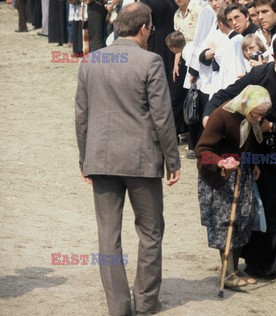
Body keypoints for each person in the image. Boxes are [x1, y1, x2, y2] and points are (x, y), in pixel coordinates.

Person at [74, 3, 181, 315]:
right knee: (150, 232)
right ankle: (146, 302)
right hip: (141, 161)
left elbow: (81, 117)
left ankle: (118, 306)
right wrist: (172, 160)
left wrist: (84, 159)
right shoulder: (150, 61)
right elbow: (162, 116)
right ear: (145, 27)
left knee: (108, 236)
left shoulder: (91, 61)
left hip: (100, 159)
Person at [204, 33, 276, 285]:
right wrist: (208, 118)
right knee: (264, 204)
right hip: (261, 152)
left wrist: (272, 127)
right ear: (274, 58)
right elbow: (224, 96)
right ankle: (259, 262)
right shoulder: (259, 76)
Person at [195, 85, 271, 288]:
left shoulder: (252, 117)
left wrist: (253, 162)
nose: (258, 120)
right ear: (246, 105)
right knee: (226, 222)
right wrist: (220, 161)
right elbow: (201, 149)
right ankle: (227, 273)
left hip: (241, 172)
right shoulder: (221, 116)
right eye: (256, 115)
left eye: (262, 115)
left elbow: (248, 142)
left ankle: (235, 269)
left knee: (241, 220)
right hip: (219, 175)